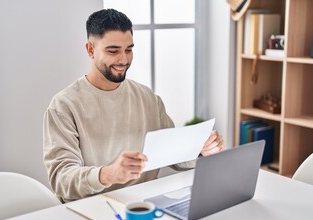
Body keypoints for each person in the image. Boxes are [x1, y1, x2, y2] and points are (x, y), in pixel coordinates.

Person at [43, 8, 225, 202]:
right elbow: (61, 179)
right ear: (90, 50)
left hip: (143, 206)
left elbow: (175, 155)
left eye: (129, 49)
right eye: (113, 51)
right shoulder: (63, 106)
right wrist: (108, 174)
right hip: (90, 209)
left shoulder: (148, 98)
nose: (123, 59)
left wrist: (201, 150)